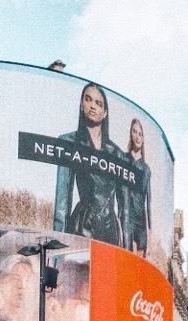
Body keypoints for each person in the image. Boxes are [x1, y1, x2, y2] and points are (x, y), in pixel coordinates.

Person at [53, 82, 130, 249]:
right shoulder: (69, 141)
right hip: (82, 224)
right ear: (81, 104)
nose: (92, 106)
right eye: (88, 100)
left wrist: (128, 249)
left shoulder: (117, 154)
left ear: (105, 113)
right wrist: (57, 241)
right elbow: (62, 197)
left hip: (110, 230)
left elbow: (124, 208)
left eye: (98, 103)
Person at [126, 117, 152, 256]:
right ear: (131, 134)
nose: (137, 136)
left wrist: (150, 228)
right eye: (135, 132)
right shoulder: (124, 159)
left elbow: (148, 200)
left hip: (141, 218)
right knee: (128, 256)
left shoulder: (146, 169)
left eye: (140, 134)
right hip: (127, 216)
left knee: (141, 260)